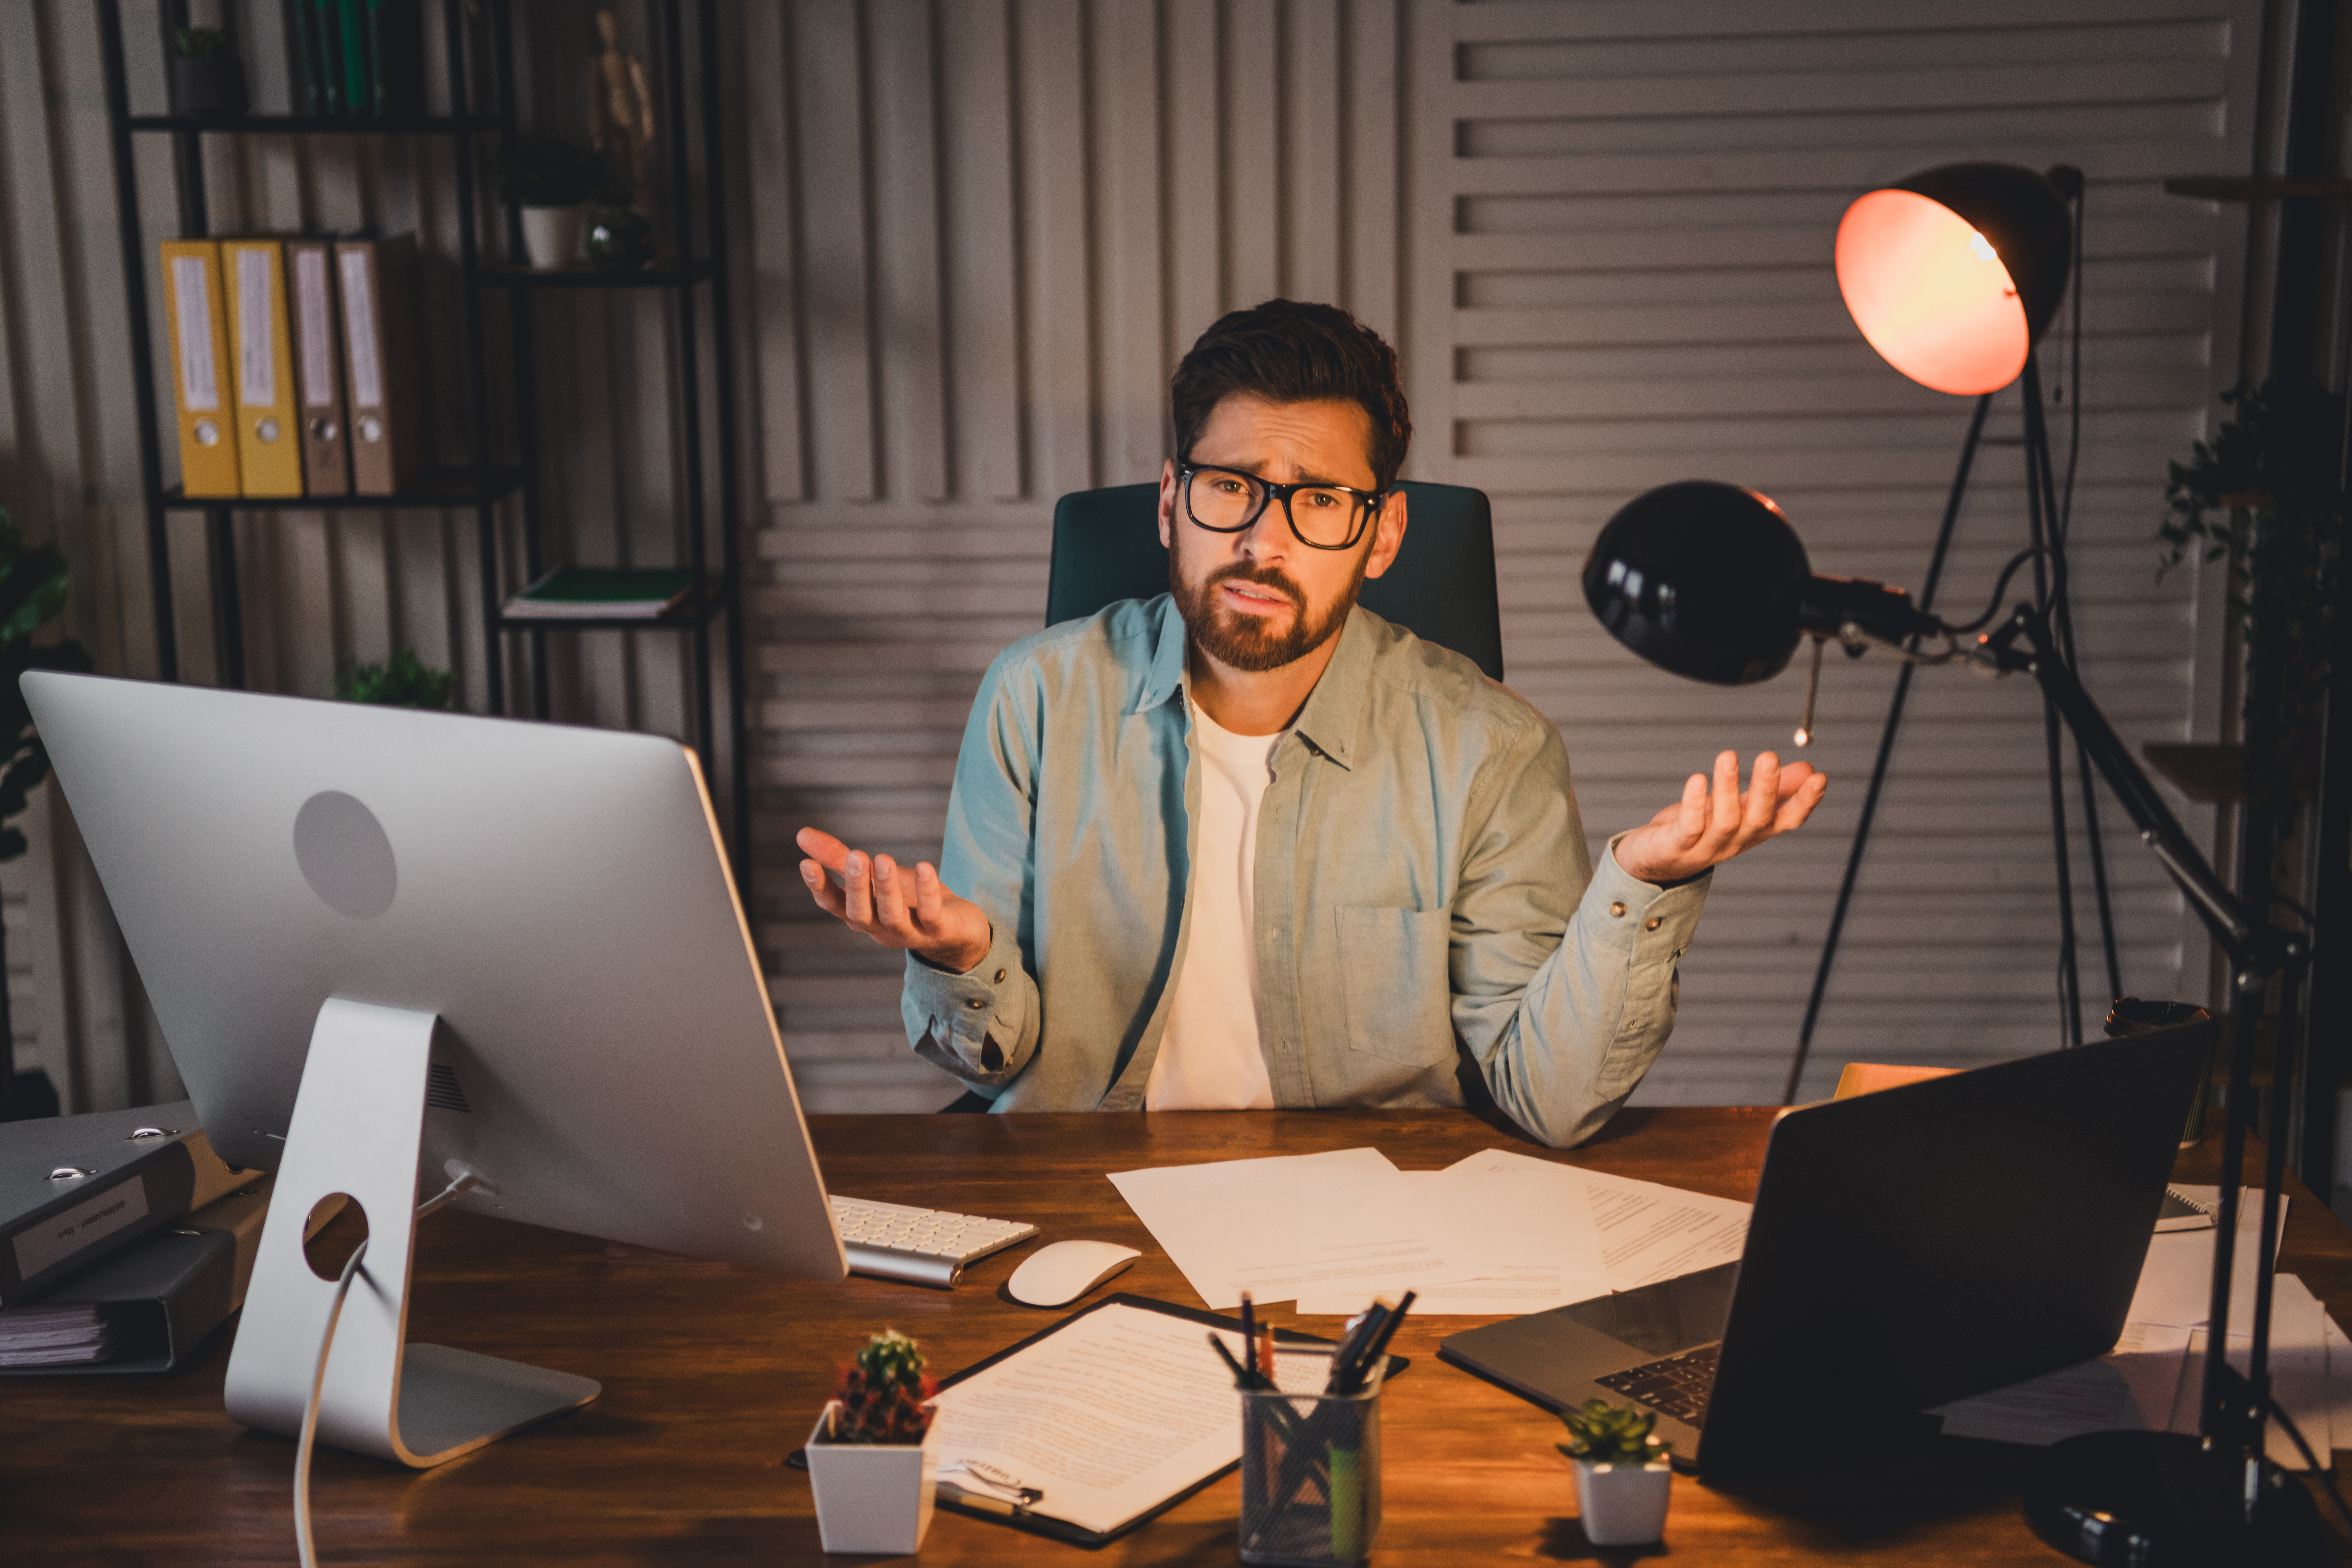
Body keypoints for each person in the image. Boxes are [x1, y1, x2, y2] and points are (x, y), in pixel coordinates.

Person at [796, 301, 1826, 1148]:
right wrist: (963, 955)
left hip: (1374, 1226)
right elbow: (991, 1055)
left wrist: (1640, 887)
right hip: (1084, 1193)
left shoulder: (1492, 749)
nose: (1261, 540)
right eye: (1230, 489)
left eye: (1321, 501)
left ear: (1382, 535)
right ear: (1169, 504)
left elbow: (1549, 1101)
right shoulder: (1034, 698)